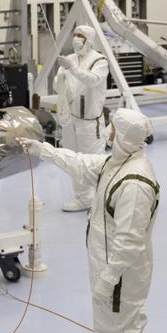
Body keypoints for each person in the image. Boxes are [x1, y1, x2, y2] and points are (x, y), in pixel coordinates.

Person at [29, 108, 159, 333]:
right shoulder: (118, 164)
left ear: (125, 136)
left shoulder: (135, 182)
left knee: (123, 325)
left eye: (113, 129)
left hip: (121, 273)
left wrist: (110, 277)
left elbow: (130, 240)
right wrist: (44, 151)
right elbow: (82, 164)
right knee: (111, 324)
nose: (109, 133)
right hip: (108, 264)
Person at [54, 25, 110, 212]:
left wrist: (73, 69)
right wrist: (61, 75)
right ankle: (83, 199)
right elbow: (57, 87)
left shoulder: (99, 61)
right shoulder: (70, 59)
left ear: (89, 40)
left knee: (93, 162)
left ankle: (102, 200)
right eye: (75, 34)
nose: (76, 38)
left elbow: (93, 80)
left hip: (90, 122)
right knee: (75, 161)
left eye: (81, 36)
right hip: (72, 119)